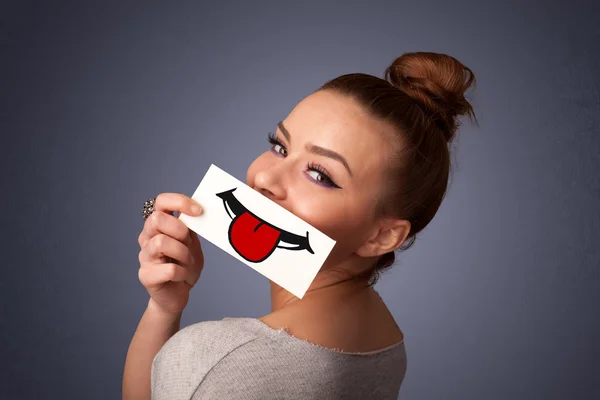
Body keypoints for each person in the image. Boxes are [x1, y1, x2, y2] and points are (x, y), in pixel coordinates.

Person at [122, 51, 476, 400]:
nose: (263, 178)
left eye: (319, 174)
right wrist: (165, 308)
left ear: (381, 236)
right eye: (280, 147)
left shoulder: (222, 361)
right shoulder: (382, 334)